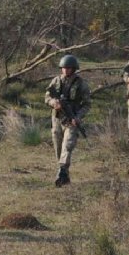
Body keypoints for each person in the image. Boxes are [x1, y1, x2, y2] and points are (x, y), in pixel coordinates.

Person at [44, 54, 91, 187]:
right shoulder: (56, 81)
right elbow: (47, 97)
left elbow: (87, 104)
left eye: (68, 68)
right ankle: (64, 175)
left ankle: (61, 172)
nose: (65, 70)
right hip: (57, 118)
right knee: (58, 147)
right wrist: (54, 103)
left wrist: (78, 117)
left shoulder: (81, 84)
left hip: (71, 120)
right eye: (63, 68)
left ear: (74, 69)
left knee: (67, 145)